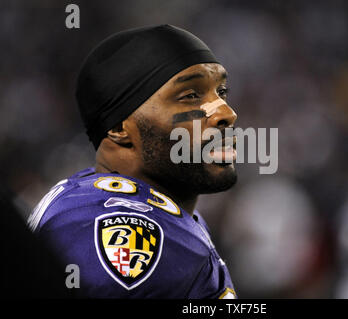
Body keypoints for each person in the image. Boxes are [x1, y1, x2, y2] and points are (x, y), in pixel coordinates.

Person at [27, 24, 238, 298]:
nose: (226, 112)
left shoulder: (158, 212)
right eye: (190, 96)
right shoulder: (123, 225)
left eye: (221, 92)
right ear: (118, 127)